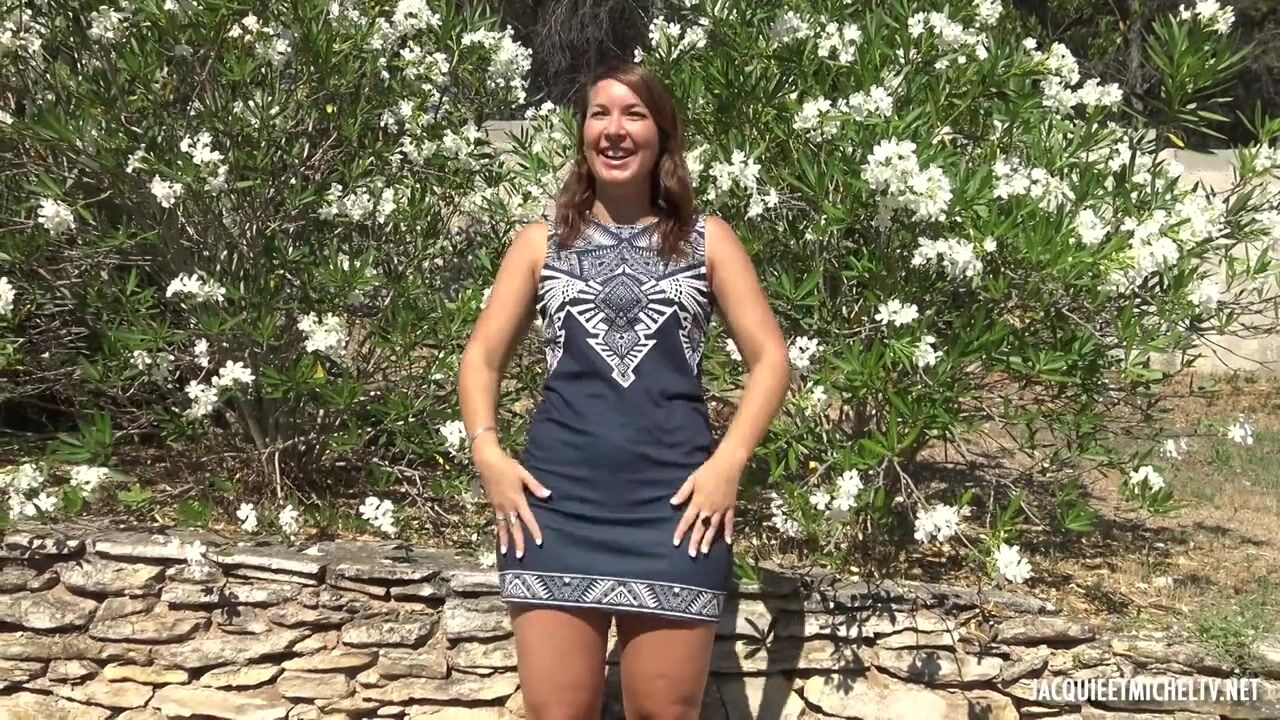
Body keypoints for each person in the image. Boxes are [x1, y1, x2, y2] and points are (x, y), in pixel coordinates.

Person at [456, 61, 790, 720]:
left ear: (662, 135)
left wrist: (728, 464)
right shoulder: (539, 244)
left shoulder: (707, 241)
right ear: (582, 132)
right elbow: (481, 358)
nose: (614, 129)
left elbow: (771, 360)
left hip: (678, 514)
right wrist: (487, 452)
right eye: (599, 114)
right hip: (554, 511)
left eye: (633, 114)